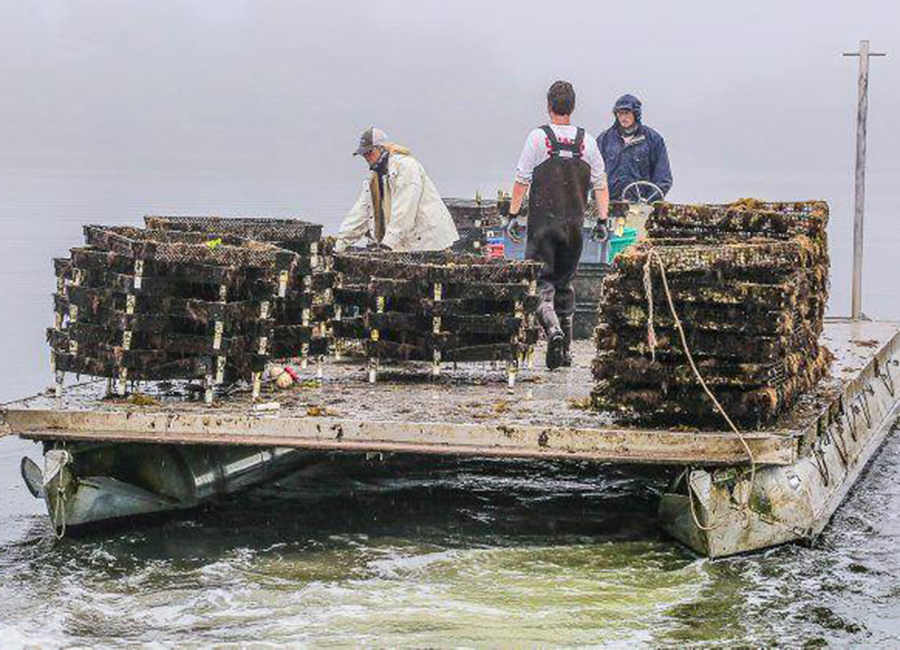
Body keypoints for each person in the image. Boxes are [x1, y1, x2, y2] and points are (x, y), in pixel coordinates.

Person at [507, 81, 609, 370]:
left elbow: (521, 179)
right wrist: (602, 219)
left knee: (541, 285)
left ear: (549, 106)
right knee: (565, 285)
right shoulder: (587, 141)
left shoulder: (538, 138)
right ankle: (565, 352)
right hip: (574, 228)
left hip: (542, 227)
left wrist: (513, 215)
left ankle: (552, 331)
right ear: (572, 107)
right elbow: (601, 185)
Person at [335, 127, 458, 252]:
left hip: (429, 243)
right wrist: (340, 243)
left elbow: (405, 209)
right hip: (407, 244)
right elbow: (360, 213)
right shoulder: (374, 178)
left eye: (370, 152)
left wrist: (388, 243)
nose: (367, 157)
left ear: (382, 148)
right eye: (363, 154)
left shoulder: (406, 167)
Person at [597, 94, 672, 201]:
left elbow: (663, 178)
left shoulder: (653, 140)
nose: (623, 117)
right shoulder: (604, 139)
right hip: (609, 205)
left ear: (636, 114)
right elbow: (593, 173)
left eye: (627, 113)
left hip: (640, 206)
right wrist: (598, 199)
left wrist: (649, 201)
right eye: (620, 113)